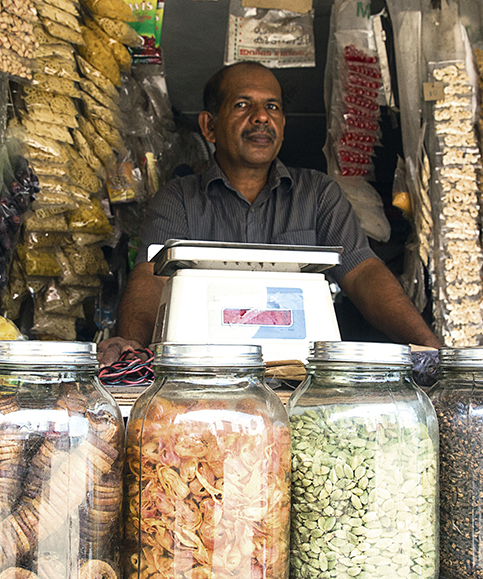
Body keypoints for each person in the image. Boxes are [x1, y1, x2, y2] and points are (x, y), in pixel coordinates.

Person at [98, 62, 440, 366]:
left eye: (272, 106)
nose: (262, 117)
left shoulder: (318, 194)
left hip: (301, 380)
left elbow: (363, 272)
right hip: (206, 380)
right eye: (243, 104)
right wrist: (135, 352)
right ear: (209, 126)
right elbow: (150, 276)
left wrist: (427, 345)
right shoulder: (178, 198)